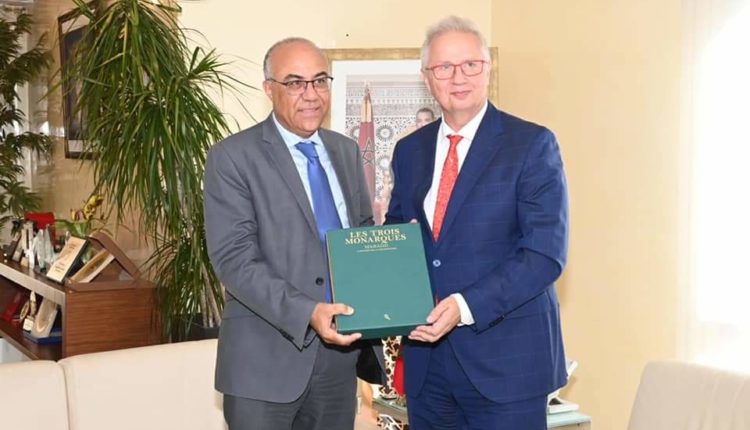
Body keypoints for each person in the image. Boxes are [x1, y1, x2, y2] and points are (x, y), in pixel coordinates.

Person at [385, 16, 569, 429]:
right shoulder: (409, 150)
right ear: (426, 78)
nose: (458, 77)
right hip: (428, 365)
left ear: (487, 69)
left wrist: (464, 306)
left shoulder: (532, 144)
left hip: (507, 365)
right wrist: (374, 284)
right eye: (444, 67)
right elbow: (399, 237)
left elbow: (544, 255)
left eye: (470, 64)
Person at [204, 37, 384, 430]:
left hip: (338, 362)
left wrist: (396, 256)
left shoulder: (346, 151)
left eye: (319, 80)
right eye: (295, 83)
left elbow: (361, 234)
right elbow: (234, 260)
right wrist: (308, 312)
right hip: (264, 365)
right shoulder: (232, 157)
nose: (311, 94)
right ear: (269, 89)